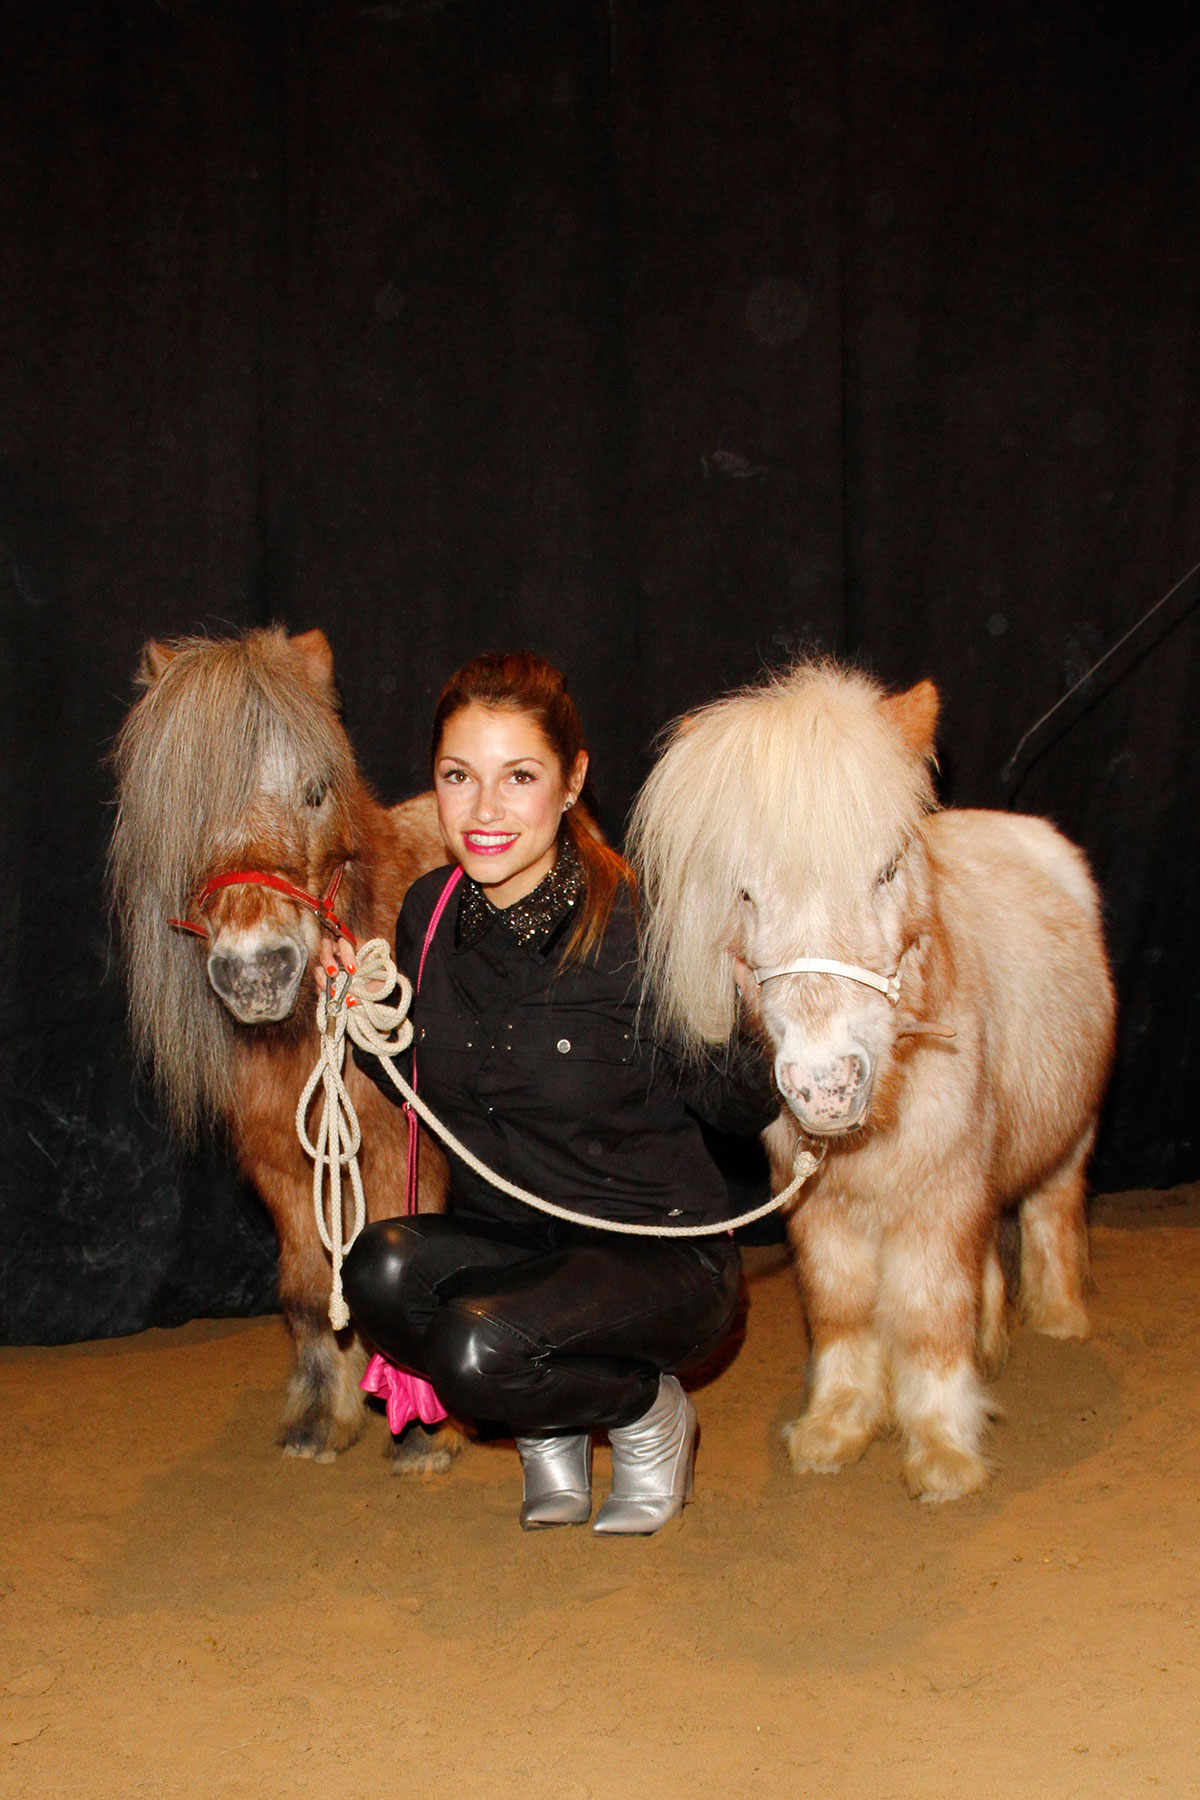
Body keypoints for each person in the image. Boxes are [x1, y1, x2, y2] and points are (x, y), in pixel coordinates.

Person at [338, 652, 777, 1536]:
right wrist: (366, 1019)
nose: (486, 810)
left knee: (474, 1348)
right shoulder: (429, 913)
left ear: (573, 781)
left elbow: (745, 1109)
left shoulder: (642, 927)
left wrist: (724, 996)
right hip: (518, 1241)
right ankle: (547, 1413)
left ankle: (642, 1412)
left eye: (520, 777)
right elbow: (428, 1093)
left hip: (657, 1258)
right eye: (459, 777)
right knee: (376, 1271)